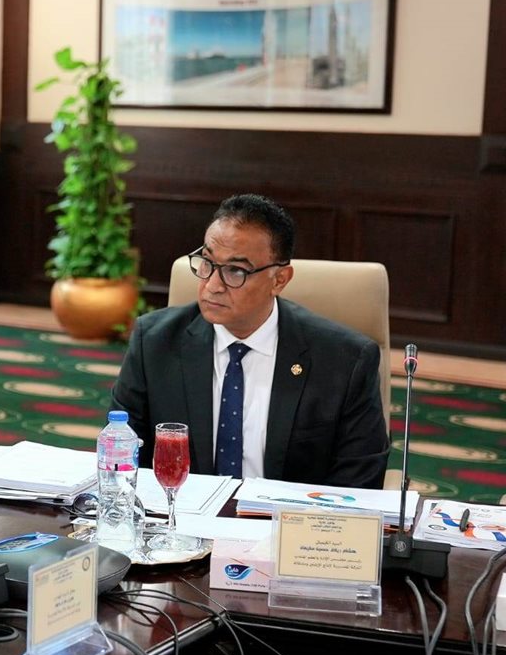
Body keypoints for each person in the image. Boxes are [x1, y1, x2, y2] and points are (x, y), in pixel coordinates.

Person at [110, 194, 389, 489]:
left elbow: (359, 482)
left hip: (291, 516)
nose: (212, 286)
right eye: (206, 263)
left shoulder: (345, 361)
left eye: (235, 271)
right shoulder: (154, 342)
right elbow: (120, 455)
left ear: (279, 280)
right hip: (182, 512)